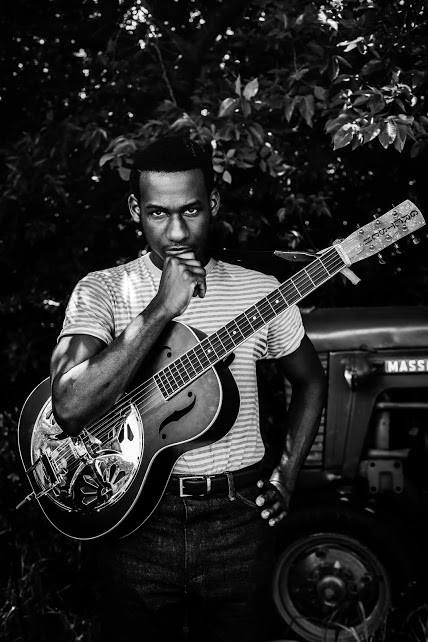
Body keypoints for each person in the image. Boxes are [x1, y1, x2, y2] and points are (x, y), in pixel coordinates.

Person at [50, 135, 326, 642]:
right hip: (135, 523)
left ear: (213, 202)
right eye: (158, 213)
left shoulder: (259, 290)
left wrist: (286, 477)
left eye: (192, 210)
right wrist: (162, 307)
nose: (177, 231)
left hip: (238, 521)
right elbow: (69, 406)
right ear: (135, 210)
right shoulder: (102, 290)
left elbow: (310, 380)